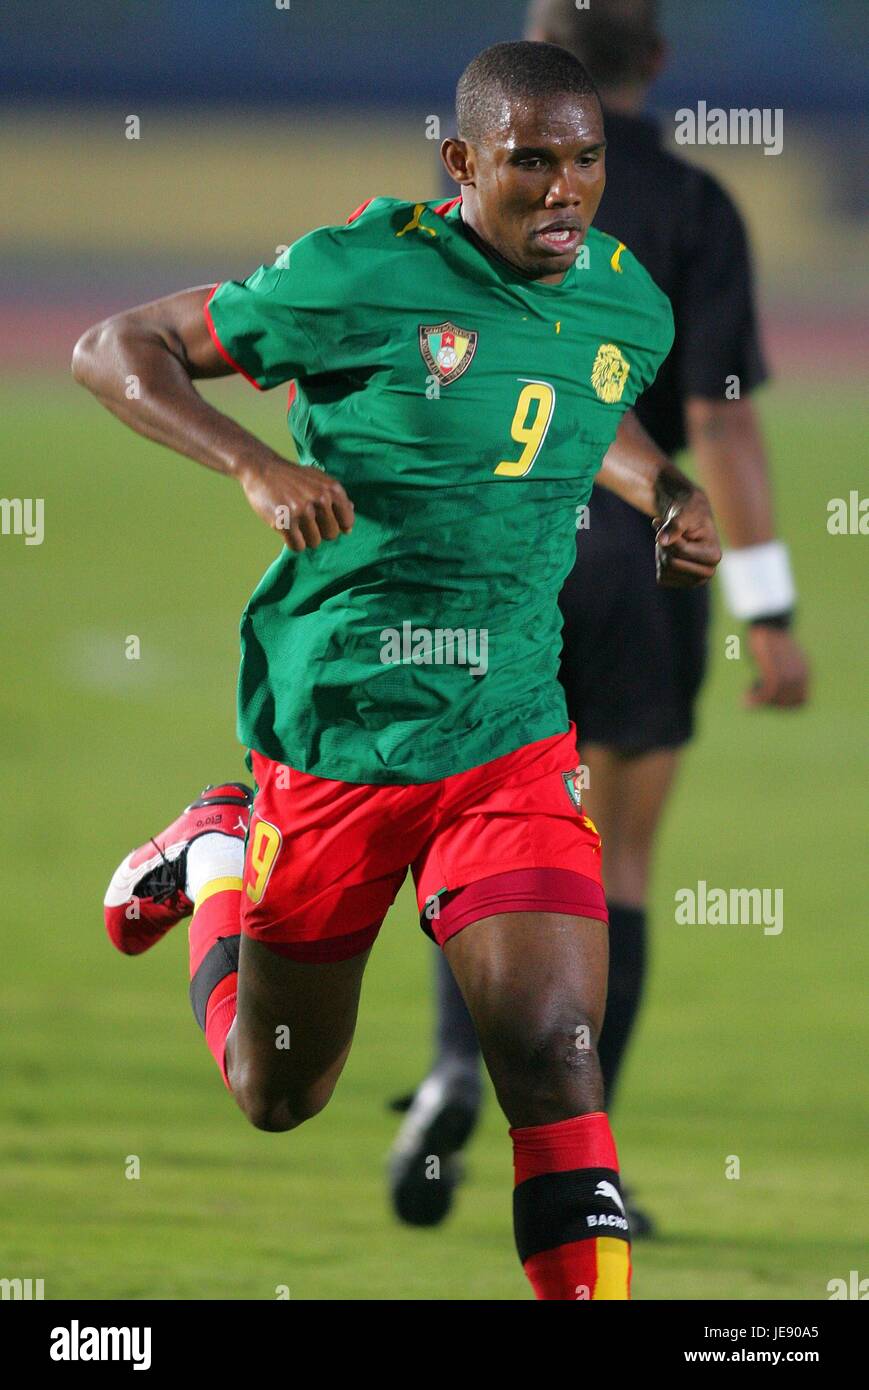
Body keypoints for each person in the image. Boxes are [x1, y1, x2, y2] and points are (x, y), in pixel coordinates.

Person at [73, 41, 721, 1300]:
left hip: (510, 732)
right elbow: (115, 346)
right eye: (530, 161)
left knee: (550, 1052)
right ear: (463, 163)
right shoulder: (357, 273)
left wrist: (664, 488)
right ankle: (217, 846)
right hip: (336, 735)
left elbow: (576, 401)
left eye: (584, 159)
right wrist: (252, 464)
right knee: (279, 1090)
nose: (564, 190)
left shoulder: (622, 299)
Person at [389, 0, 810, 1234]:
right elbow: (722, 420)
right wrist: (767, 609)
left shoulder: (472, 192)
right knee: (607, 858)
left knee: (477, 830)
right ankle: (582, 1161)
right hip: (641, 557)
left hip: (495, 548)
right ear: (660, 63)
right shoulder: (693, 208)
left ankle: (454, 1066)